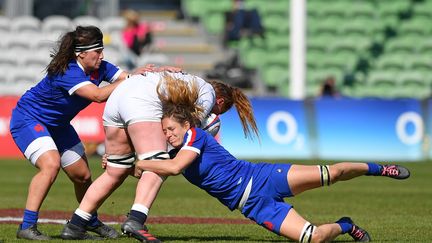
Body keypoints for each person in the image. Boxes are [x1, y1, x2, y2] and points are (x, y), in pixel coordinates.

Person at [132, 77, 411, 243]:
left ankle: (379, 168)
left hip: (263, 177)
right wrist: (121, 163)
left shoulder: (195, 136)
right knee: (311, 237)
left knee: (332, 174)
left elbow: (173, 168)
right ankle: (347, 225)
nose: (167, 135)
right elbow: (160, 167)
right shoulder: (174, 150)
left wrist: (140, 162)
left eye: (171, 129)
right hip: (253, 206)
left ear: (186, 124)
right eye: (164, 130)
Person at [60, 72, 259, 242]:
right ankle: (135, 220)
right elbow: (187, 133)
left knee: (115, 170)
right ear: (221, 102)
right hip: (141, 100)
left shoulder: (186, 82)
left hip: (118, 97)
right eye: (220, 111)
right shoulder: (206, 94)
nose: (216, 114)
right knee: (159, 163)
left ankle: (76, 225)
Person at [9, 25, 154, 240]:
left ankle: (89, 221)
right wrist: (131, 78)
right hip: (29, 119)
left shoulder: (101, 67)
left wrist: (142, 76)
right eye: (97, 52)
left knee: (83, 176)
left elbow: (127, 79)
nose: (101, 56)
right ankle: (27, 226)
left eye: (102, 50)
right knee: (50, 165)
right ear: (81, 53)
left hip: (59, 125)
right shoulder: (68, 71)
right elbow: (97, 95)